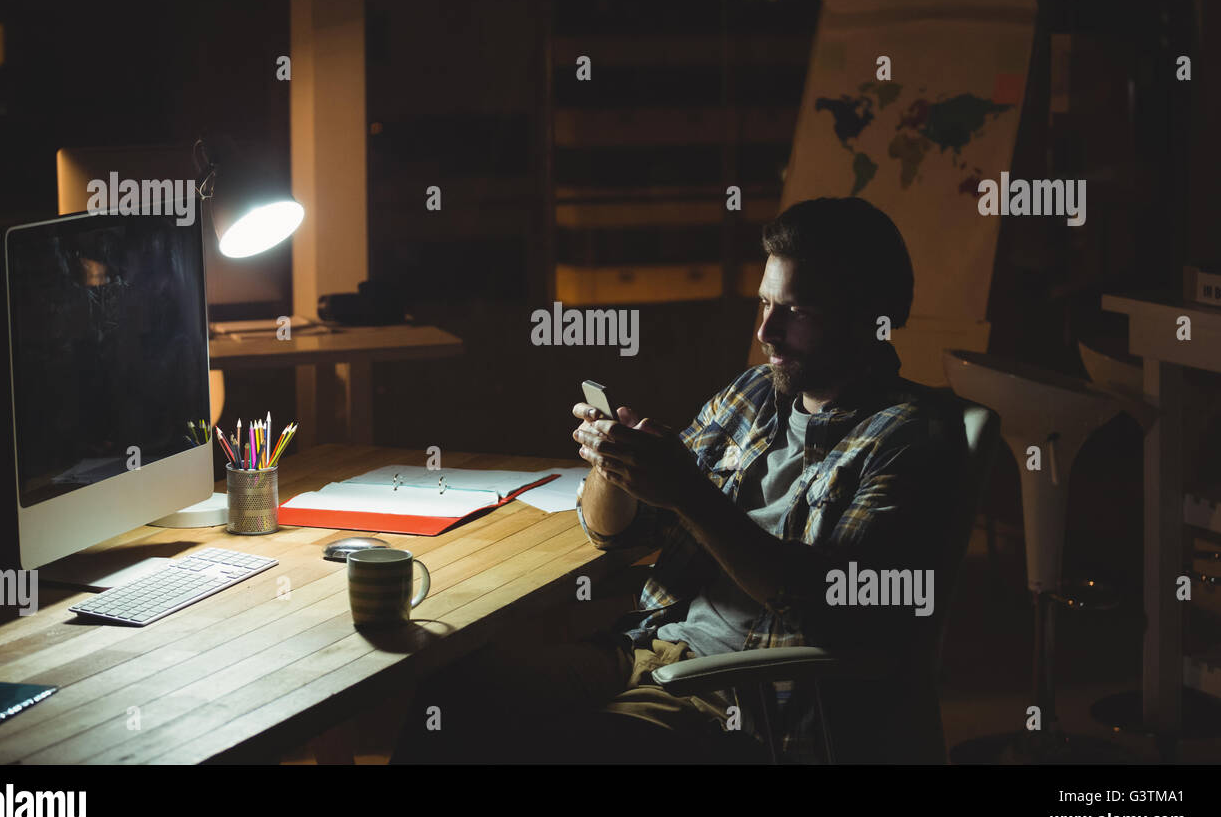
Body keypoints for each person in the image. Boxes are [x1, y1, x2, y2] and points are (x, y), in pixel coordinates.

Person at [391, 197, 965, 764]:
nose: (767, 330)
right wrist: (615, 467)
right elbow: (620, 534)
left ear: (867, 321)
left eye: (796, 312)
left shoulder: (909, 438)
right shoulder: (756, 393)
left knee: (563, 749)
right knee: (452, 695)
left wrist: (686, 489)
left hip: (748, 696)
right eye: (764, 303)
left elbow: (823, 603)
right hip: (652, 644)